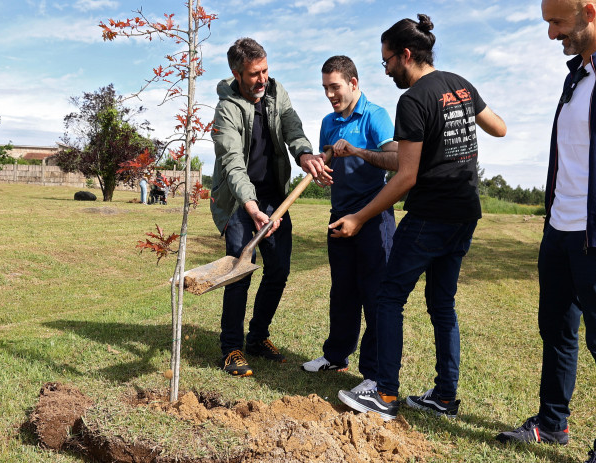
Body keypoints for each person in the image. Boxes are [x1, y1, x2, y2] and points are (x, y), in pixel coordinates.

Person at [496, 2, 596, 462]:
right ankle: (551, 423)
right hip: (560, 232)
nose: (551, 34)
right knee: (557, 331)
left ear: (589, 12)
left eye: (557, 23)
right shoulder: (575, 77)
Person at [333, 14, 506, 421]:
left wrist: (358, 217)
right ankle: (444, 396)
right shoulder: (460, 84)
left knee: (389, 297)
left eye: (387, 61)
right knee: (441, 303)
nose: (387, 69)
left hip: (431, 214)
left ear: (405, 55)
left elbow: (405, 176)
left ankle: (386, 396)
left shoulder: (412, 100)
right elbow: (498, 127)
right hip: (466, 213)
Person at [210, 37, 314, 377]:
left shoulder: (276, 92)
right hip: (240, 201)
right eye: (255, 73)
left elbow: (291, 126)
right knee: (239, 273)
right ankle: (232, 348)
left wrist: (304, 154)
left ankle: (257, 337)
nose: (262, 79)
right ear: (237, 73)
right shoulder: (226, 109)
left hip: (275, 197)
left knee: (279, 270)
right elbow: (232, 163)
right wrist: (251, 207)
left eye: (265, 70)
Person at [299, 56, 397, 395]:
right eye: (325, 88)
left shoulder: (376, 116)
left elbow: (396, 159)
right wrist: (324, 173)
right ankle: (336, 356)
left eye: (335, 87)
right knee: (342, 291)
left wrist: (356, 150)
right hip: (337, 216)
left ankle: (373, 373)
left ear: (354, 83)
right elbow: (329, 161)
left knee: (375, 295)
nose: (329, 94)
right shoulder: (328, 121)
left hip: (373, 217)